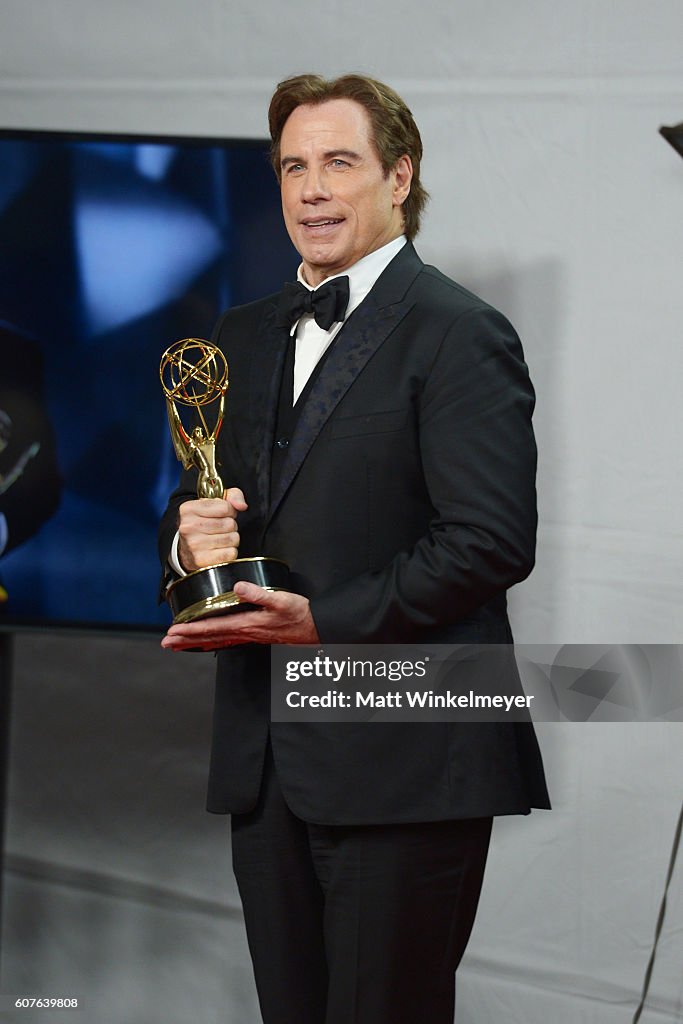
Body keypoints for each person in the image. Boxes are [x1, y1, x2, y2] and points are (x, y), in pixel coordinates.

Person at [158, 73, 550, 1024]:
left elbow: (489, 541)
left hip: (405, 754)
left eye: (339, 162)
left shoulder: (460, 332)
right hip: (266, 759)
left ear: (399, 175)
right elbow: (217, 511)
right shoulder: (241, 334)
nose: (311, 190)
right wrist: (187, 547)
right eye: (293, 166)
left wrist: (320, 622)